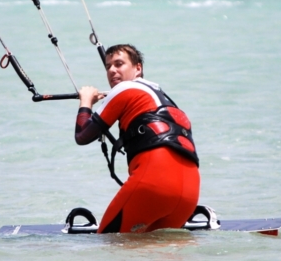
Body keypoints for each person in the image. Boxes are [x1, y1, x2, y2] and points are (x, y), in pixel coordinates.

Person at [74, 44, 200, 233]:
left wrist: (85, 101)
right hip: (189, 193)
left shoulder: (125, 88)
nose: (112, 71)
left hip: (154, 183)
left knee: (111, 244)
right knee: (157, 255)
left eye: (119, 64)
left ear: (138, 68)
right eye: (108, 67)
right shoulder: (161, 96)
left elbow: (82, 136)